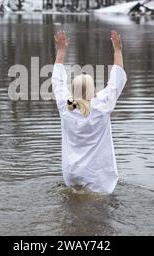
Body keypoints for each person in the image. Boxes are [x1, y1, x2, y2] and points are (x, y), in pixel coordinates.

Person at [52, 30, 127, 194]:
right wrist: (118, 50)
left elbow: (57, 82)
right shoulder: (101, 107)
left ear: (73, 91)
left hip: (71, 173)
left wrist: (62, 50)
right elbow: (116, 82)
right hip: (97, 176)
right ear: (93, 91)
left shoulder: (66, 107)